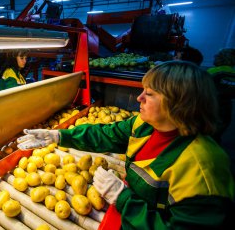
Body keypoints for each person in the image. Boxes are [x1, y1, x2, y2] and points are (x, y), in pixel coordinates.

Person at [17, 61, 235, 229]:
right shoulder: (146, 125)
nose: (139, 98)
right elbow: (106, 134)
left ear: (177, 104)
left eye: (149, 94)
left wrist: (122, 198)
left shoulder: (204, 171)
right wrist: (59, 136)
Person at [207, 48, 235, 144]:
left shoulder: (212, 72)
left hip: (209, 104)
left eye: (217, 56)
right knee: (217, 133)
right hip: (226, 107)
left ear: (221, 58)